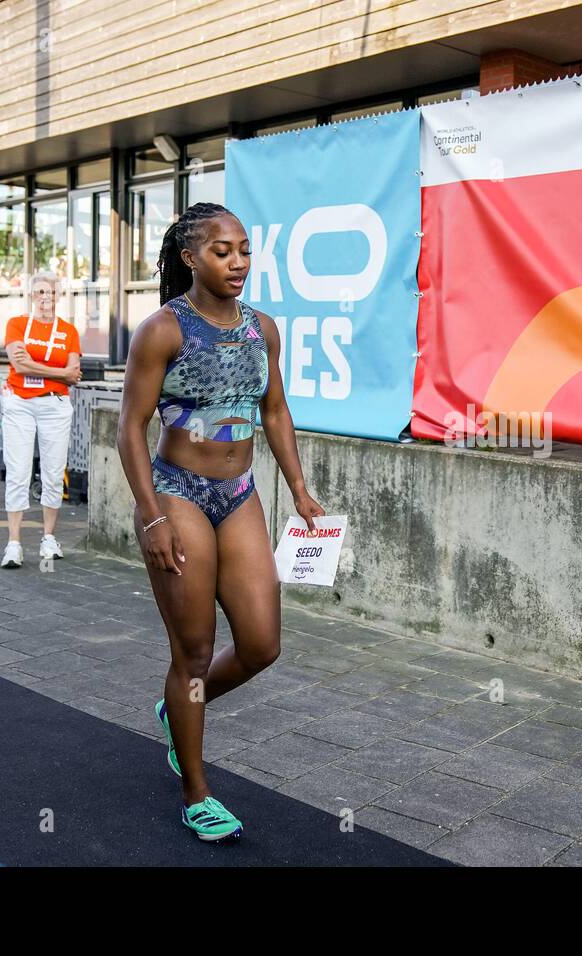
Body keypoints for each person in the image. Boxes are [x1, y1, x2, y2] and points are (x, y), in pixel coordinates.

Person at [118, 202, 324, 843]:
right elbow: (130, 427)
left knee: (263, 644)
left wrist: (299, 488)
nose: (237, 263)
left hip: (240, 494)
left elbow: (276, 410)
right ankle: (196, 789)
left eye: (243, 251)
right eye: (221, 251)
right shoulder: (163, 330)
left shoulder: (263, 329)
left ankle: (176, 709)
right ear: (189, 258)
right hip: (178, 493)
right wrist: (151, 516)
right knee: (195, 652)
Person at [0, 272, 82, 569]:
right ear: (31, 296)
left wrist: (39, 368)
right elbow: (18, 365)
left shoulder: (69, 331)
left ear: (58, 296)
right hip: (20, 404)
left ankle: (49, 537)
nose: (46, 298)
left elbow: (75, 369)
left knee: (53, 472)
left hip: (55, 407)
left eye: (51, 292)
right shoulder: (17, 324)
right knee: (18, 471)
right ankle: (14, 543)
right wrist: (58, 373)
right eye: (40, 293)